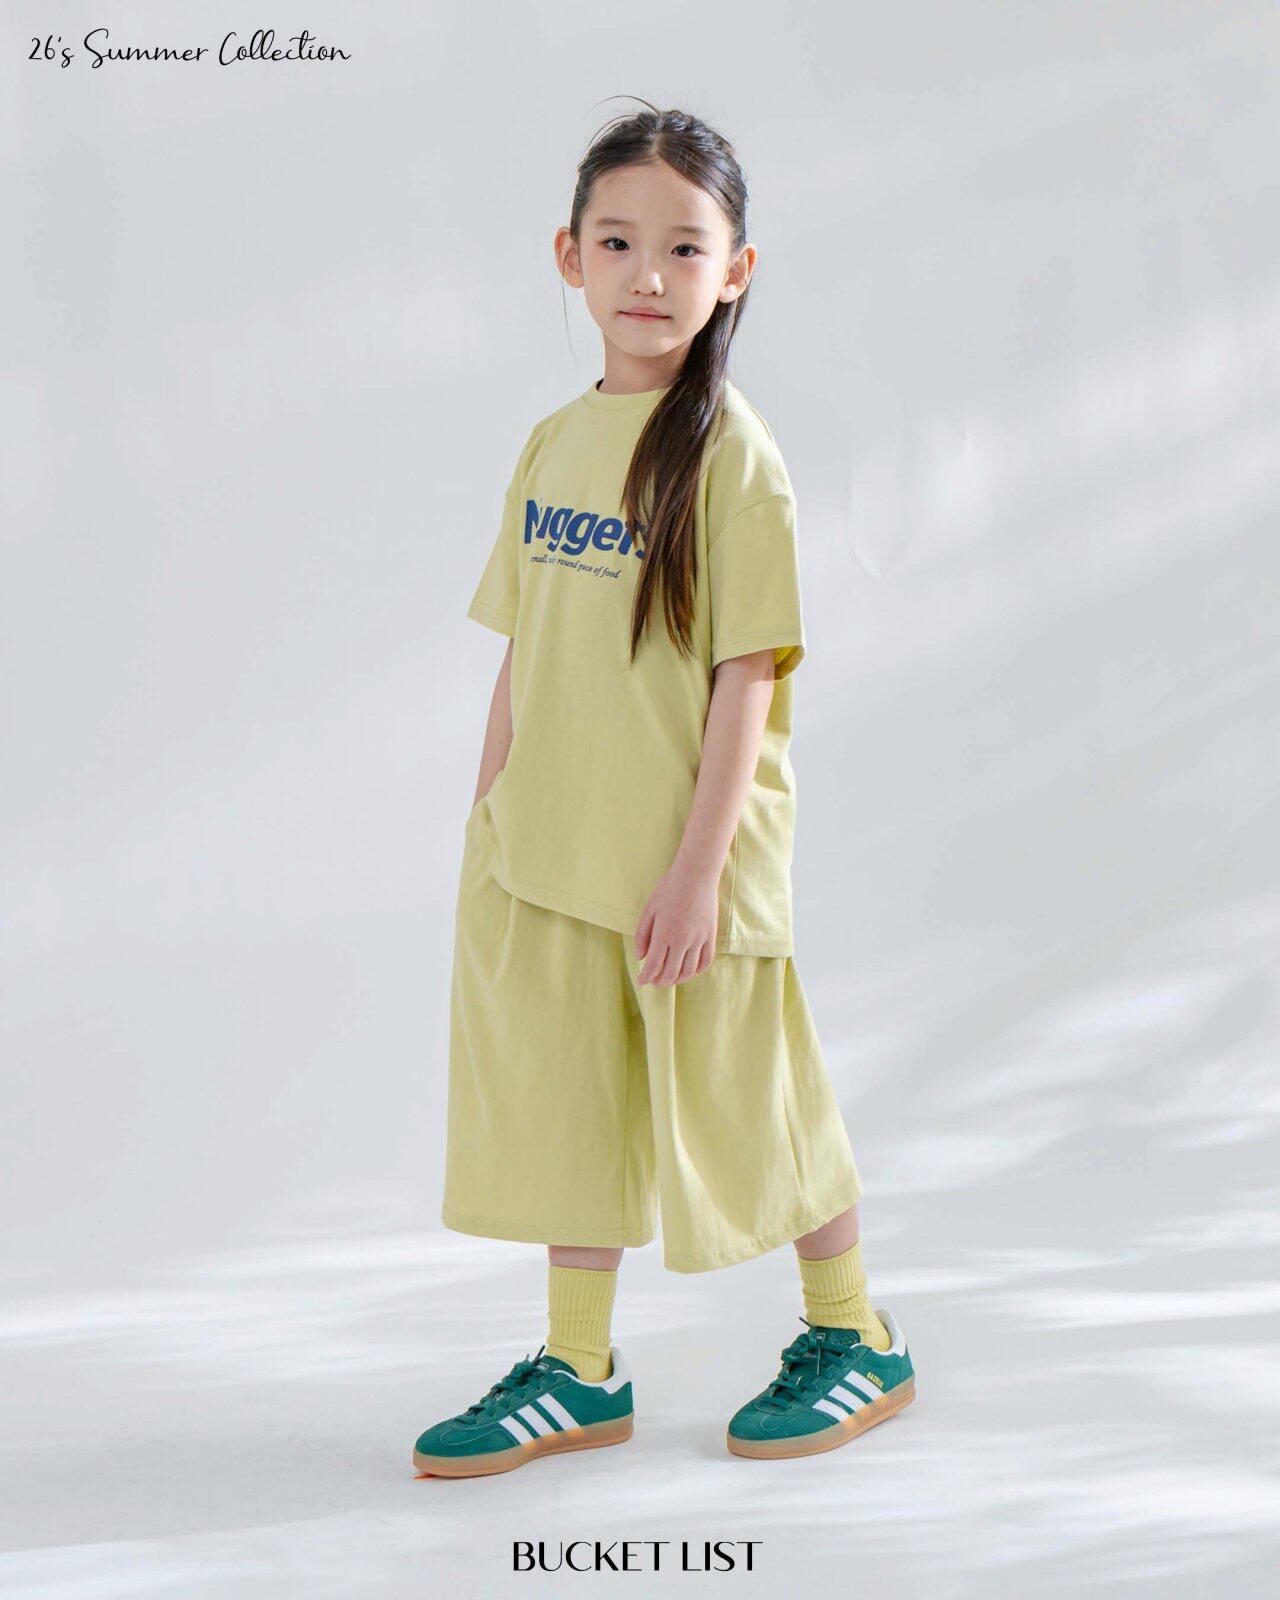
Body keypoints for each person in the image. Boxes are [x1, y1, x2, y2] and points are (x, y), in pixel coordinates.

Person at [413, 102, 916, 1479]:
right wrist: (489, 823)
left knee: (757, 1103)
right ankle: (578, 1369)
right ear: (568, 256)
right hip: (553, 850)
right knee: (570, 1107)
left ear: (735, 272)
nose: (649, 274)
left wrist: (697, 874)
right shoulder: (550, 444)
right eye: (619, 241)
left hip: (695, 863)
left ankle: (856, 1334)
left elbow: (749, 675)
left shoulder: (734, 457)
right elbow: (524, 650)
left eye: (685, 248)